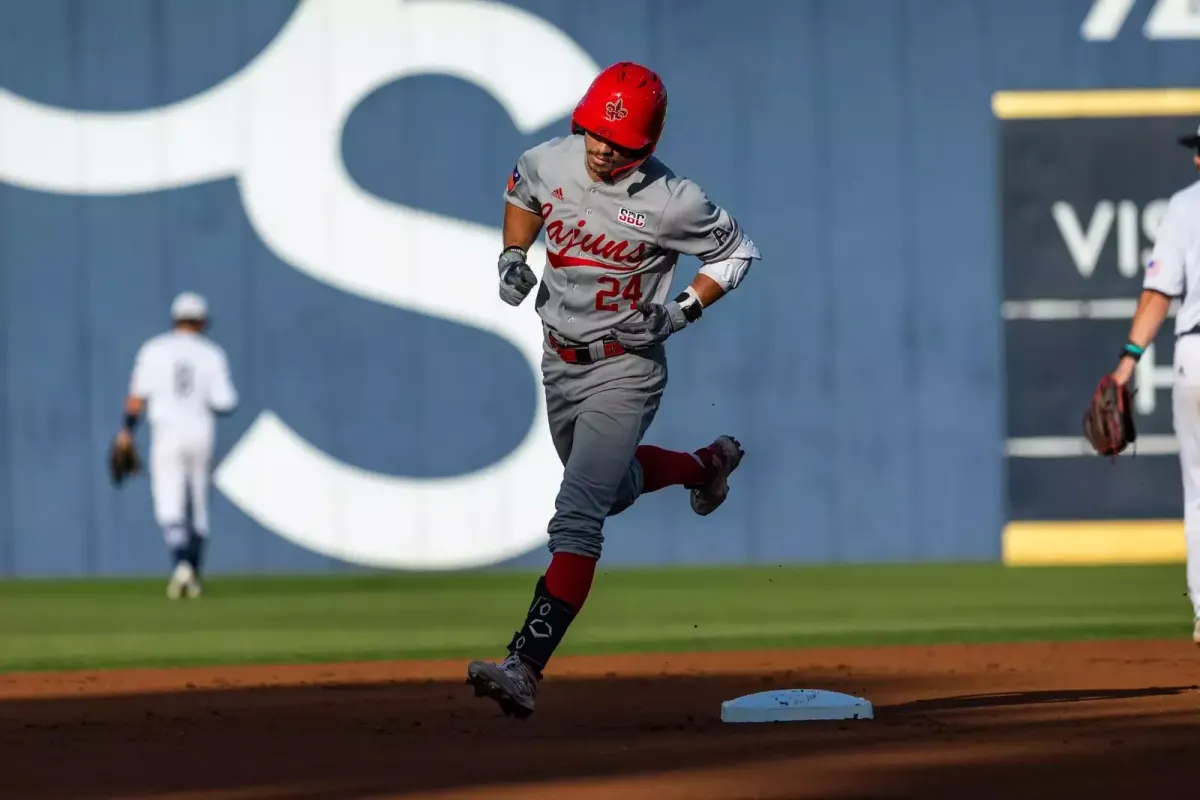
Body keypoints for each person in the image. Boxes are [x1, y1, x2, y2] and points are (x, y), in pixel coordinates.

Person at [466, 62, 762, 717]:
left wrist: (683, 308)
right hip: (559, 359)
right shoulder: (550, 161)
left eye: (619, 143)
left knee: (577, 514)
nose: (602, 148)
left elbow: (737, 252)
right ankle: (705, 466)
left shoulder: (672, 200)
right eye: (594, 132)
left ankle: (524, 666)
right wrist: (513, 256)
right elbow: (522, 193)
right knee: (611, 489)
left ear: (647, 146)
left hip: (625, 365)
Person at [1109, 122, 1200, 646]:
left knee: (1198, 496)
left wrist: (1128, 362)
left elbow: (1158, 294)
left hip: (1195, 356)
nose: (1195, 160)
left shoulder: (1186, 206)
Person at [115, 292, 238, 599]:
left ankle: (181, 563)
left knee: (168, 500)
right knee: (197, 501)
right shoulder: (212, 353)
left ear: (175, 319)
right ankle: (191, 571)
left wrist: (127, 432)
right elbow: (225, 401)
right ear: (201, 322)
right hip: (200, 430)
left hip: (166, 432)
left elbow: (136, 397)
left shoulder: (154, 349)